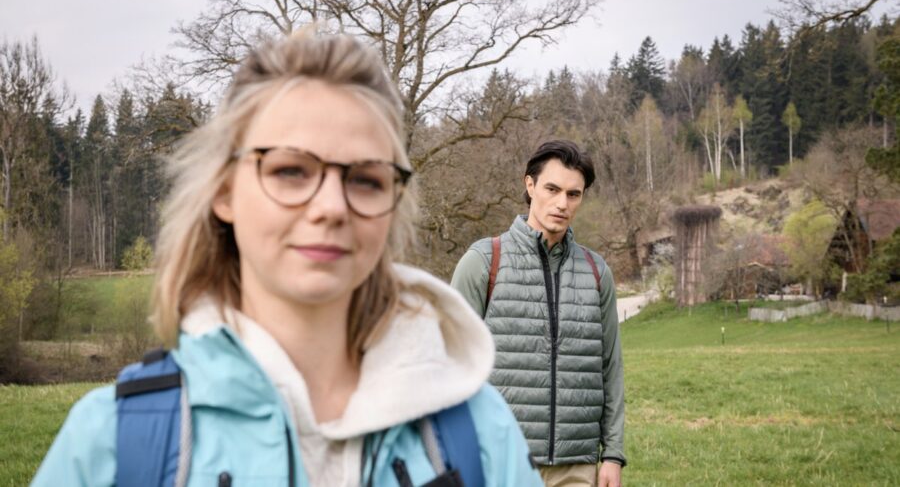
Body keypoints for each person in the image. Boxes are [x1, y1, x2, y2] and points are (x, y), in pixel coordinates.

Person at [32, 32, 541, 487]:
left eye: (365, 179)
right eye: (291, 171)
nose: (332, 207)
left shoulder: (478, 433)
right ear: (224, 191)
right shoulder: (111, 445)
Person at [450, 140, 626, 487]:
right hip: (500, 462)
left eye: (573, 194)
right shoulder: (483, 262)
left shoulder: (596, 272)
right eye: (552, 189)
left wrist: (613, 455)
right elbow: (449, 364)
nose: (562, 203)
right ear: (530, 185)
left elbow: (611, 368)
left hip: (577, 467)